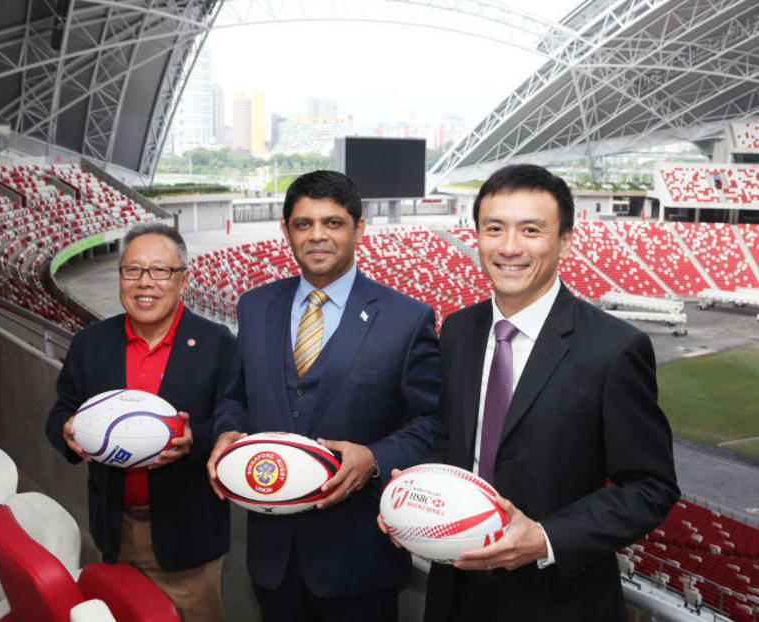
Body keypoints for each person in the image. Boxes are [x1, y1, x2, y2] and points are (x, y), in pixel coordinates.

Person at [420, 164, 679, 621]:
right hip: (455, 593)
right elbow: (452, 446)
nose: (509, 247)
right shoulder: (458, 331)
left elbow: (650, 488)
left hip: (558, 601)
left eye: (532, 230)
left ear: (566, 241)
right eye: (494, 229)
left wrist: (545, 537)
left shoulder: (614, 349)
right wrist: (414, 500)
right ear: (476, 235)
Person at [207, 170, 441, 622]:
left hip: (359, 562)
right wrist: (228, 431)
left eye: (333, 223)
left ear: (359, 228)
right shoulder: (254, 307)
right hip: (272, 559)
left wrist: (373, 457)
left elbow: (435, 425)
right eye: (303, 223)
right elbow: (234, 397)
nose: (317, 235)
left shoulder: (406, 318)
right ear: (286, 230)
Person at [45, 223, 233, 622]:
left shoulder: (217, 344)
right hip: (114, 534)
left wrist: (194, 439)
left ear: (183, 280)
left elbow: (237, 421)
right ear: (121, 278)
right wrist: (65, 431)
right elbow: (60, 411)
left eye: (160, 271)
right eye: (133, 270)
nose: (145, 283)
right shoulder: (90, 343)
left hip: (188, 541)